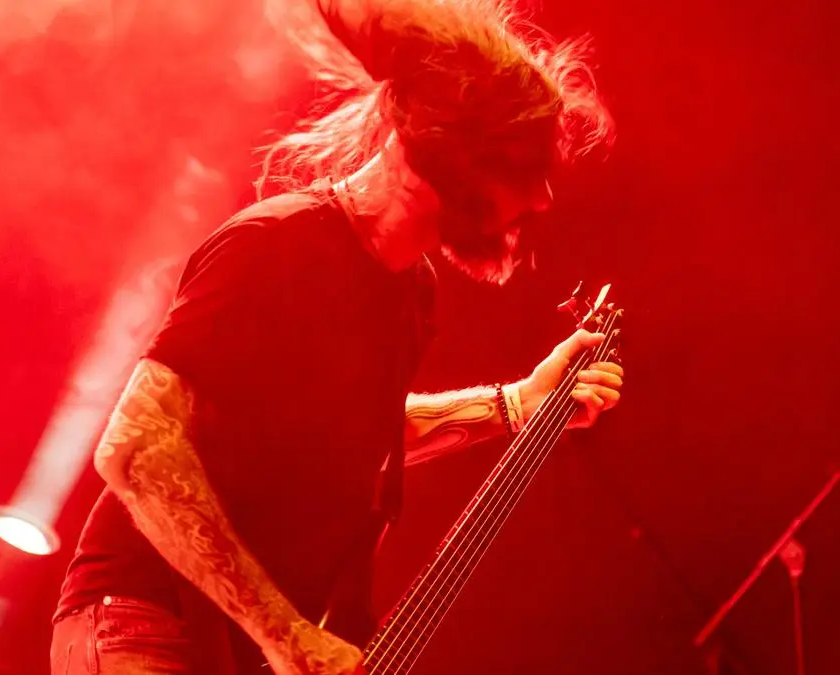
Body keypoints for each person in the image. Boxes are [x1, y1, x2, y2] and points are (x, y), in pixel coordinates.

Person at [49, 0, 622, 673]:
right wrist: (287, 634)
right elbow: (135, 448)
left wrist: (517, 403)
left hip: (239, 643)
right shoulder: (277, 245)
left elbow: (354, 438)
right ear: (451, 151)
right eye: (521, 169)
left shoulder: (410, 291)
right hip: (145, 620)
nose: (542, 199)